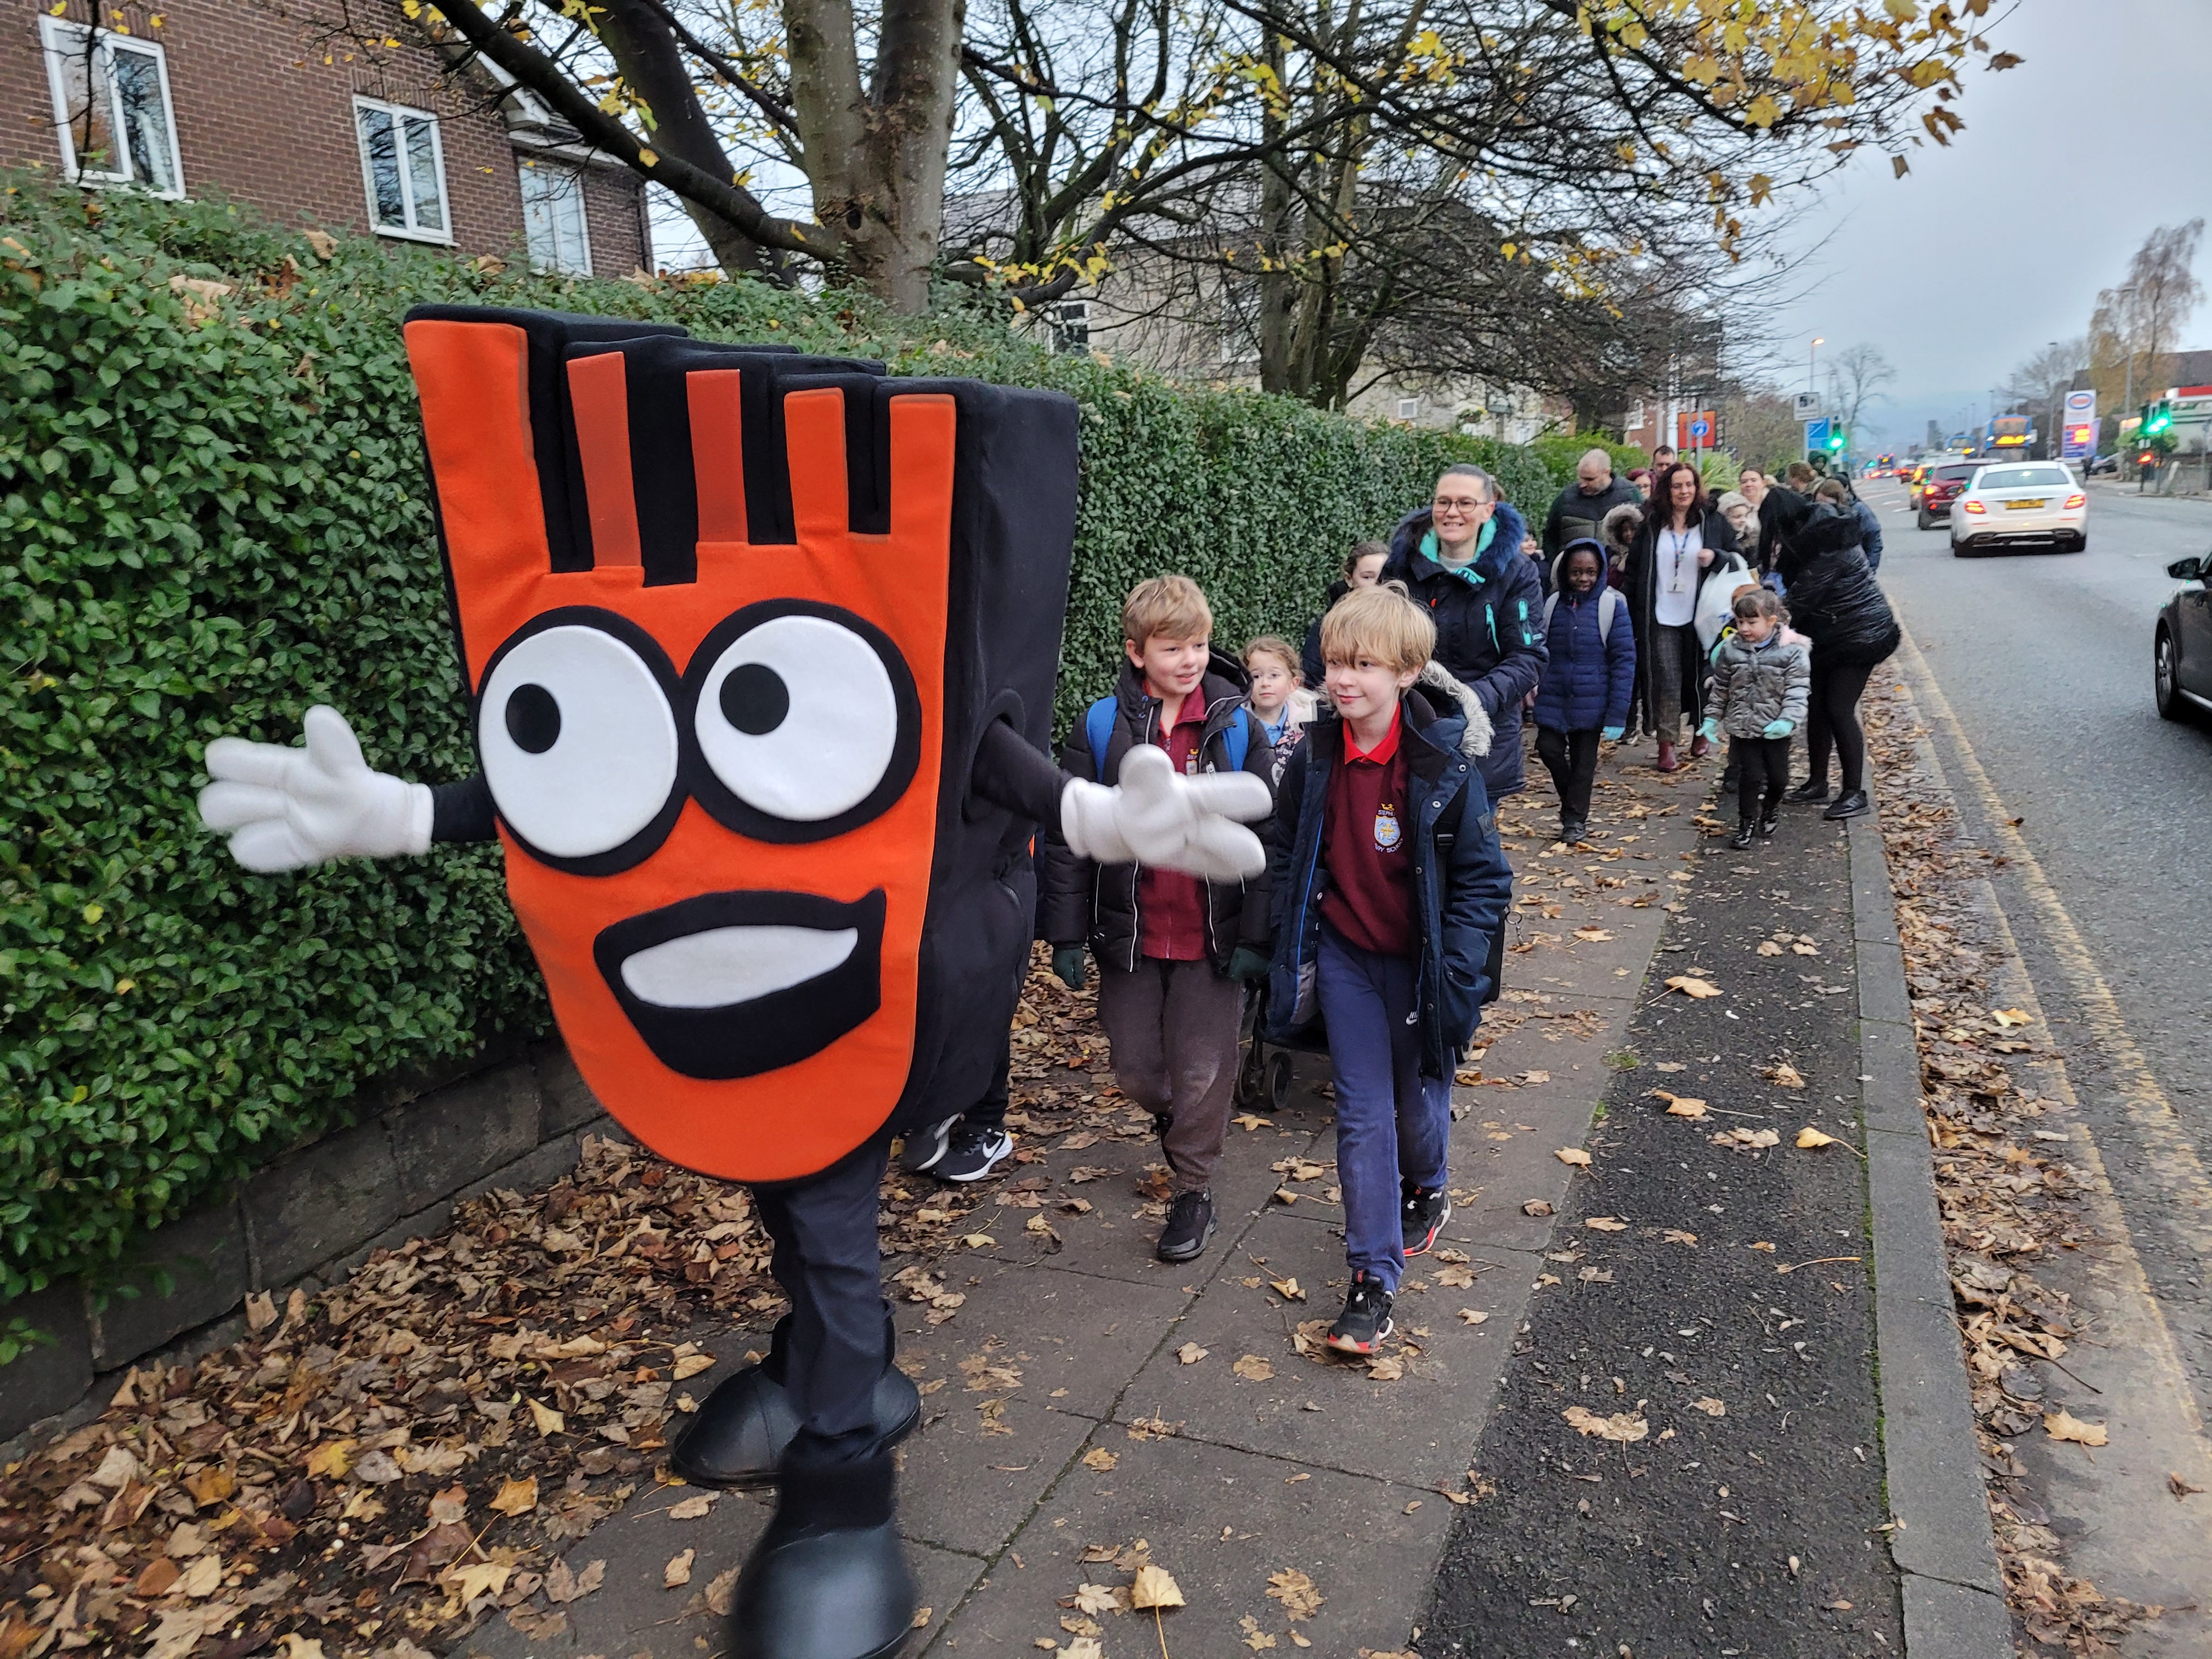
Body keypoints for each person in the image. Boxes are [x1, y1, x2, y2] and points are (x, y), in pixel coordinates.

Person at [195, 309, 1279, 1659]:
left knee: (825, 1211)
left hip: (852, 974)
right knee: (784, 1186)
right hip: (710, 992)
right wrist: (407, 812)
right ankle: (832, 1374)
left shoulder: (926, 696)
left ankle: (844, 1467)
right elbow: (586, 763)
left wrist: (1093, 819)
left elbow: (969, 747)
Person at [1264, 585, 1513, 1355]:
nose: (1345, 680)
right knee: (1362, 1118)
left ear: (1407, 673)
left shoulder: (1441, 764)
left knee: (1417, 1115)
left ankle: (1429, 1187)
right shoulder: (1314, 758)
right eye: (1336, 662)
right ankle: (1372, 1280)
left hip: (1423, 970)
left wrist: (1462, 974)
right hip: (1346, 960)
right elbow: (1284, 855)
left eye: (1365, 665)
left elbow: (1484, 882)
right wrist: (1278, 941)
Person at [1040, 575, 1277, 1263]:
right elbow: (1069, 833)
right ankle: (1180, 1123)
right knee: (1138, 1071)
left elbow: (1272, 837)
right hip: (1133, 934)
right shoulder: (1103, 726)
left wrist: (1256, 935)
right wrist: (1064, 931)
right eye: (1172, 647)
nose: (1190, 659)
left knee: (1203, 1068)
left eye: (1199, 644)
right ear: (1137, 651)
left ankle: (1193, 1188)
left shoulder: (1236, 726)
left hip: (1212, 940)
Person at [1380, 463, 1543, 1001]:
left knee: (1471, 866)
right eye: (1443, 501)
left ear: (1488, 510)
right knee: (1405, 853)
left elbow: (1527, 656)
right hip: (1412, 727)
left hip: (1480, 738)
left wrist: (1476, 700)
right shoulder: (1403, 563)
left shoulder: (1514, 573)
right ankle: (1406, 976)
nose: (1452, 512)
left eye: (1465, 504)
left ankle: (1467, 983)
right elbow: (1381, 633)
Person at [1758, 486, 1901, 821]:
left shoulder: (1828, 549)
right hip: (1831, 634)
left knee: (1839, 709)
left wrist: (1757, 615)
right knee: (1817, 707)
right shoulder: (1819, 538)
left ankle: (1855, 792)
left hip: (1861, 637)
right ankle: (1817, 782)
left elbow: (1797, 601)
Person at [1621, 460, 1745, 771]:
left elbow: (1740, 559)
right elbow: (1634, 572)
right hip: (1661, 616)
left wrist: (1717, 557)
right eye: (1677, 485)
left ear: (1697, 487)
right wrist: (1634, 613)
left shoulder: (1712, 521)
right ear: (1667, 489)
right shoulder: (1651, 525)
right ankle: (1667, 743)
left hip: (1704, 616)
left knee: (1702, 678)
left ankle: (1702, 731)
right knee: (1667, 680)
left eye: (1689, 485)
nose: (1684, 491)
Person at [1532, 540, 1635, 845]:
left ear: (1600, 571)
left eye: (1590, 572)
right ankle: (1571, 804)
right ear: (1565, 572)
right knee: (1548, 749)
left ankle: (1575, 820)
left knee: (1583, 764)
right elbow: (1540, 649)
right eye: (1576, 572)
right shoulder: (1552, 605)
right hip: (1554, 696)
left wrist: (1618, 713)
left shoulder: (1612, 606)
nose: (1583, 579)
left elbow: (1624, 660)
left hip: (1594, 700)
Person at [1699, 586, 1810, 848]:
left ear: (1772, 621)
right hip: (1743, 726)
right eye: (1740, 622)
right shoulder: (1731, 650)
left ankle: (1771, 807)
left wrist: (1788, 720)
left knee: (1779, 779)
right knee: (1750, 777)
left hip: (1775, 727)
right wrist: (1711, 718)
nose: (1745, 628)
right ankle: (1745, 824)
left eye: (1752, 622)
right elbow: (1721, 687)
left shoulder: (1792, 652)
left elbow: (1797, 689)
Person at [1301, 540, 1390, 687]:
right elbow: (1309, 681)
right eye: (1367, 577)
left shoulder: (1406, 624)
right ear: (1349, 579)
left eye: (1384, 577)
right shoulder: (1327, 627)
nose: (1377, 584)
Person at [1540, 447, 1643, 565]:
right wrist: (1557, 566)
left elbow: (1643, 534)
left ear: (1606, 473)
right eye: (1580, 477)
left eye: (1589, 479)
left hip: (1617, 571)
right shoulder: (1565, 498)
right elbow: (1550, 537)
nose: (1583, 484)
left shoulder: (1630, 495)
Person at [1244, 634, 1317, 781]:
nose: (1265, 683)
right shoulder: (1239, 726)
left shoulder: (1306, 725)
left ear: (1293, 684)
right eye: (1256, 676)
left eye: (1274, 675)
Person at [1815, 476, 1885, 573]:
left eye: (1825, 502)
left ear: (1837, 498)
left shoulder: (1859, 511)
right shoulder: (1822, 515)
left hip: (1858, 570)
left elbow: (1874, 540)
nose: (1821, 505)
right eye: (1818, 501)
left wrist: (1870, 569)